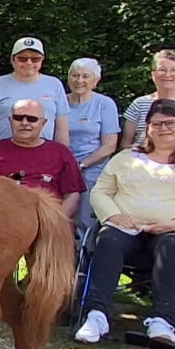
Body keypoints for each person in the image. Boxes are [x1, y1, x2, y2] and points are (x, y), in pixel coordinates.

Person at [74, 98, 175, 347]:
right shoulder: (126, 158)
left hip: (174, 231)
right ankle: (96, 315)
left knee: (174, 245)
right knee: (108, 240)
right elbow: (101, 192)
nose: (163, 128)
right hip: (125, 226)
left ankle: (162, 321)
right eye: (156, 124)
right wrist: (113, 216)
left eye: (170, 123)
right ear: (148, 128)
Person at [0, 98, 84, 219]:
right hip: (1, 221)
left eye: (32, 119)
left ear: (43, 123)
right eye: (18, 118)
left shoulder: (61, 152)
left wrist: (55, 221)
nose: (24, 123)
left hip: (48, 221)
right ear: (10, 120)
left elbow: (72, 195)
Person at [0, 37, 70, 148]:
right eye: (22, 58)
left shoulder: (54, 84)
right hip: (2, 153)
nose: (29, 62)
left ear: (42, 60)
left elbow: (61, 128)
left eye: (35, 59)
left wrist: (62, 155)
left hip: (43, 154)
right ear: (12, 60)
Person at [63, 58, 121, 227]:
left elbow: (109, 145)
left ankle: (85, 242)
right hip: (61, 166)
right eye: (75, 75)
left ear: (95, 81)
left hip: (92, 168)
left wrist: (81, 165)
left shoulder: (104, 104)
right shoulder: (60, 102)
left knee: (85, 219)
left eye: (85, 76)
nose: (79, 80)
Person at [119, 50, 175, 149]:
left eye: (174, 70)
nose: (167, 74)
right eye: (162, 69)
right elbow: (126, 143)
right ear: (153, 74)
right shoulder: (139, 104)